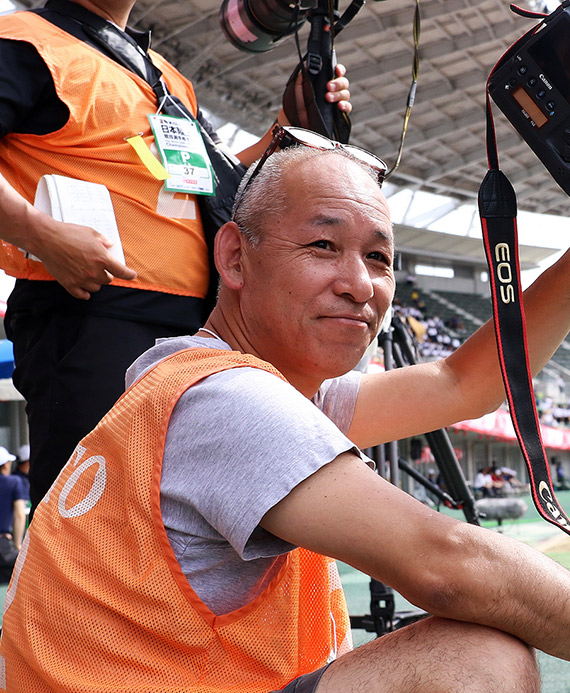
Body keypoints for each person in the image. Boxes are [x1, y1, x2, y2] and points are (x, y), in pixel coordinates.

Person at [0, 138, 570, 693]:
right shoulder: (226, 400)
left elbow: (467, 383)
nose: (360, 283)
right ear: (234, 257)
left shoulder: (247, 390)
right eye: (323, 247)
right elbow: (448, 564)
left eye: (381, 257)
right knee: (477, 664)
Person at [0, 0, 354, 507]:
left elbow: (218, 182)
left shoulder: (166, 77)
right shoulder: (25, 41)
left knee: (173, 516)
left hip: (195, 325)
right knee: (91, 517)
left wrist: (288, 131)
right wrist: (42, 236)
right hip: (92, 313)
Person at [0, 445, 28, 550]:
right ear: (5, 465)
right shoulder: (14, 482)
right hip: (3, 542)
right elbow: (20, 514)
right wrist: (18, 544)